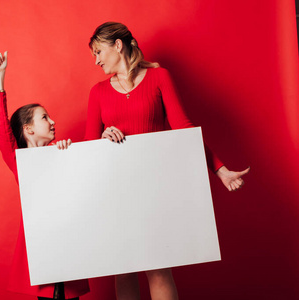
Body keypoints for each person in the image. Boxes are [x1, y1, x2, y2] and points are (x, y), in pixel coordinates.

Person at [84, 22, 250, 300]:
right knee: (123, 269)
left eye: (98, 51)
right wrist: (103, 137)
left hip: (154, 188)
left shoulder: (159, 77)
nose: (96, 60)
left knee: (158, 268)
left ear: (118, 45)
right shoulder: (97, 92)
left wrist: (219, 170)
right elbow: (88, 149)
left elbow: (184, 129)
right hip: (116, 192)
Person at [0, 51, 89, 300]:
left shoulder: (63, 152)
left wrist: (68, 157)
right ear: (29, 128)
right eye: (45, 117)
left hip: (67, 246)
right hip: (40, 250)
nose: (53, 121)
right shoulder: (21, 162)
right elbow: (1, 128)